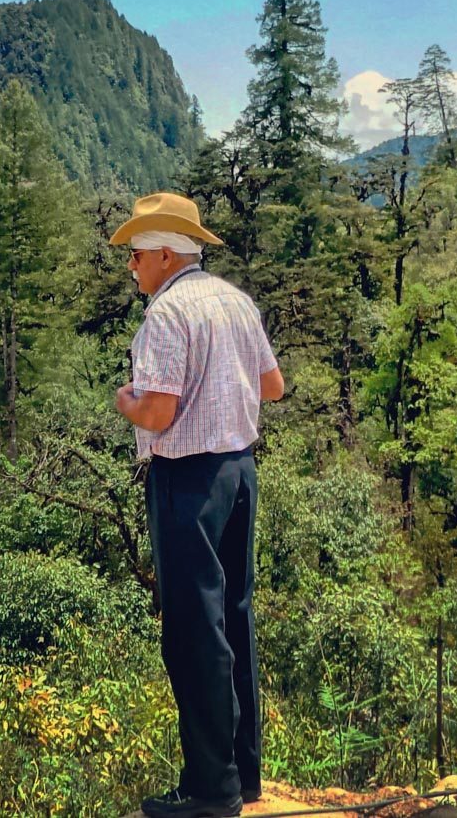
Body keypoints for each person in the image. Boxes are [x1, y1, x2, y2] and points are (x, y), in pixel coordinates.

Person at [109, 191, 285, 818]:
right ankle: (244, 777)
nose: (131, 267)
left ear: (163, 252)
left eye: (135, 255)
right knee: (234, 618)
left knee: (193, 630)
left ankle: (210, 790)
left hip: (187, 479)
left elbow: (156, 412)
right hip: (240, 471)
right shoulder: (235, 300)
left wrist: (125, 400)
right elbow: (273, 385)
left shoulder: (166, 314)